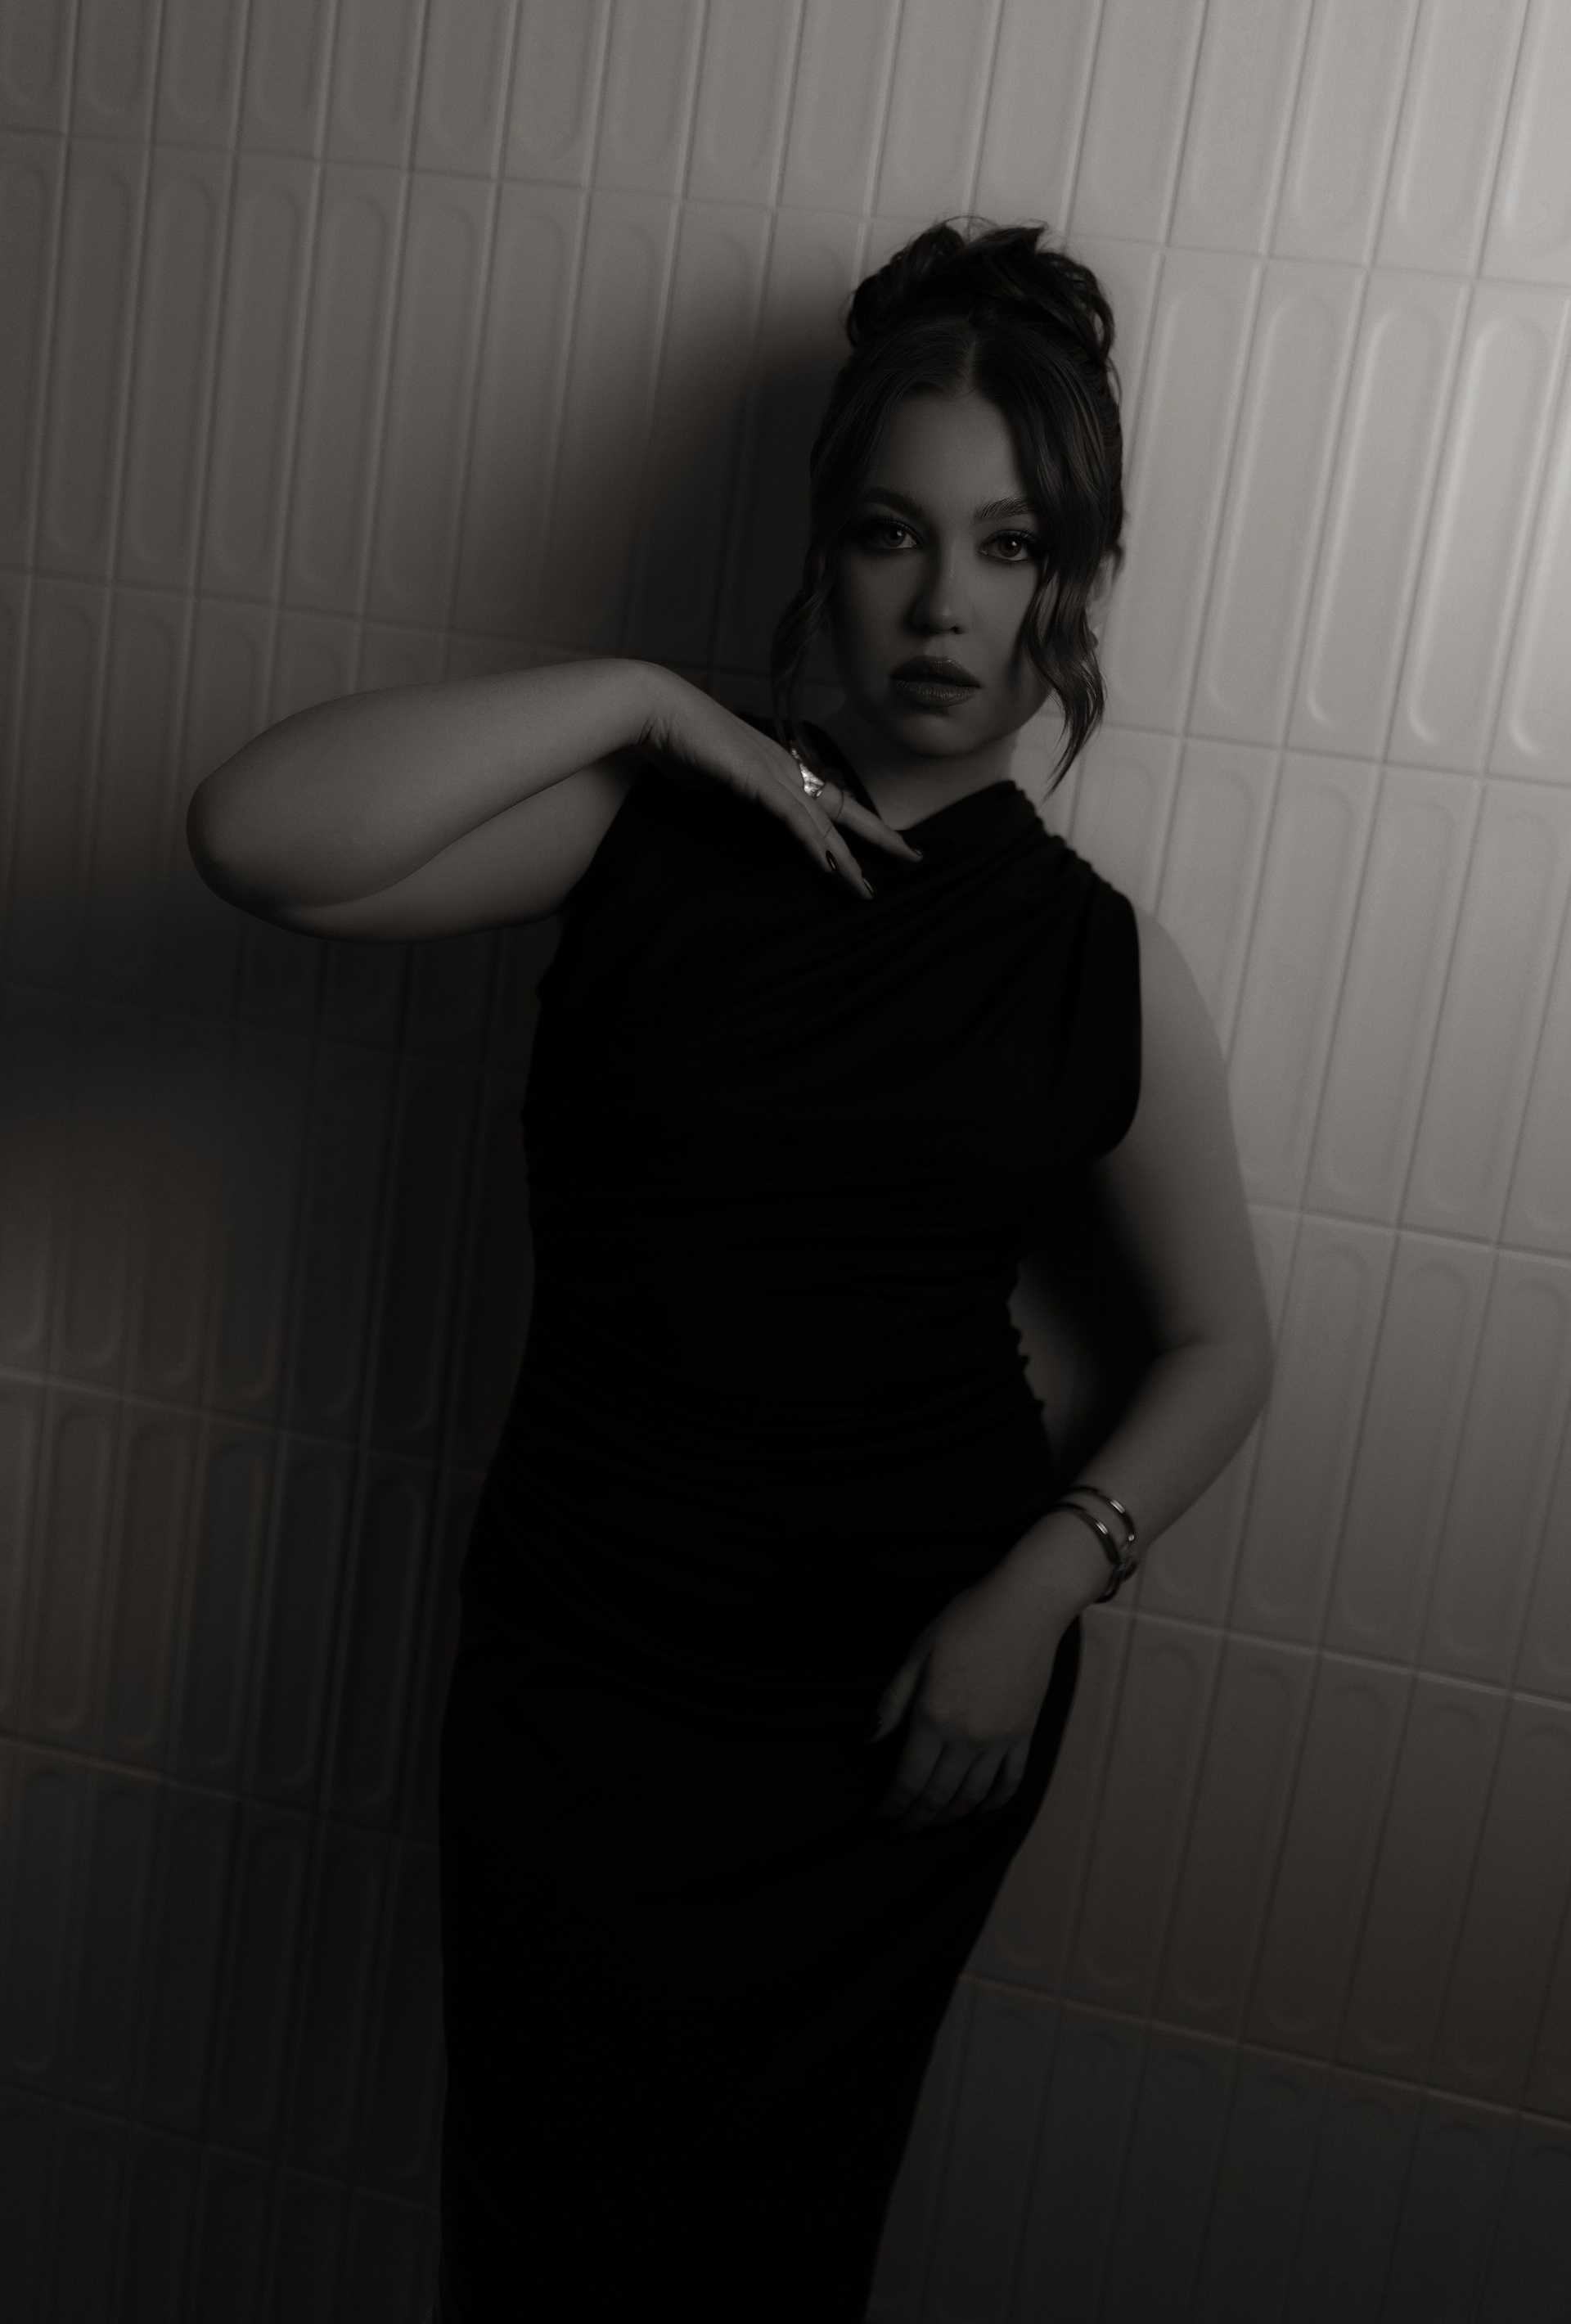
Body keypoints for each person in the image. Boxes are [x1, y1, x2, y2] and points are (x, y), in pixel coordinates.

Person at [189, 220, 1272, 2322]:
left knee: (772, 2265)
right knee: (535, 2246)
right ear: (823, 550)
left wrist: (1035, 1595)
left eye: (1010, 547)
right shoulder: (640, 832)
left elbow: (1224, 1344)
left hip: (899, 1715)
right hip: (583, 1677)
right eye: (892, 533)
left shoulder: (1098, 963)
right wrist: (643, 702)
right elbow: (252, 836)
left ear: (1072, 585)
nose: (944, 605)